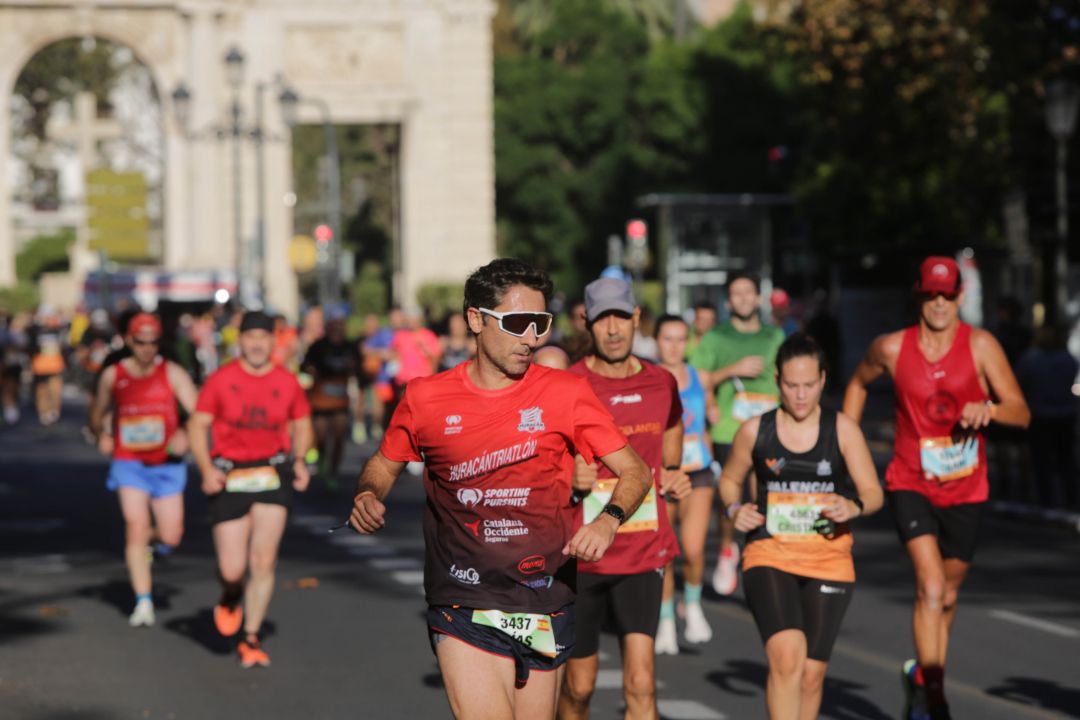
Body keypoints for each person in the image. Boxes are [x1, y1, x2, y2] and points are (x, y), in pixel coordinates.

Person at [348, 259, 653, 720]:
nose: (531, 337)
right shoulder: (426, 398)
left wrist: (608, 521)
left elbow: (636, 471)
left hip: (545, 597)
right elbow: (383, 465)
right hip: (463, 599)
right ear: (476, 319)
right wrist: (369, 493)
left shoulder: (565, 393)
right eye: (516, 323)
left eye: (540, 323)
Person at [843, 256, 1030, 720]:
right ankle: (937, 701)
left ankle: (921, 678)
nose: (941, 303)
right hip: (910, 479)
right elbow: (857, 384)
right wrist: (846, 445)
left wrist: (989, 409)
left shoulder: (982, 345)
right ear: (919, 295)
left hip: (966, 487)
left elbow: (1021, 412)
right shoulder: (891, 348)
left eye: (949, 295)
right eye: (932, 295)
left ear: (961, 296)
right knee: (929, 587)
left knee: (947, 595)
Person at [721, 333, 883, 720]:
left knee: (812, 675)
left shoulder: (842, 430)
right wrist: (734, 508)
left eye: (809, 385)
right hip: (769, 552)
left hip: (829, 558)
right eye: (792, 385)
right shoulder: (754, 431)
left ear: (823, 380)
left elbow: (874, 492)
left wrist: (853, 505)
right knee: (786, 658)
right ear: (777, 380)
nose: (800, 395)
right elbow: (730, 479)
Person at [560, 278, 691, 720]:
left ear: (637, 318)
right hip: (582, 554)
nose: (613, 329)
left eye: (621, 317)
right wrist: (567, 474)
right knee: (579, 687)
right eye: (602, 319)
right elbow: (539, 455)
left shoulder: (661, 382)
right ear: (587, 323)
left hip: (642, 548)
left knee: (641, 684)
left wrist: (670, 469)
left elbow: (673, 422)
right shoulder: (567, 384)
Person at [188, 310, 314, 668]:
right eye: (250, 337)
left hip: (272, 473)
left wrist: (301, 459)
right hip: (230, 476)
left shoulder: (287, 381)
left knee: (263, 560)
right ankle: (230, 594)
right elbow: (198, 425)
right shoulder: (220, 380)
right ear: (240, 341)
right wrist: (206, 467)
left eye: (263, 337)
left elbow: (302, 423)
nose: (257, 344)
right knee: (232, 569)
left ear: (273, 342)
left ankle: (251, 636)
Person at [87, 313, 199, 627]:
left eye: (153, 342)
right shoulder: (114, 374)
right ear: (129, 341)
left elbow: (200, 412)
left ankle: (153, 543)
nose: (147, 348)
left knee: (171, 535)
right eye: (141, 342)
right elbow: (97, 410)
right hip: (129, 462)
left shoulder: (172, 373)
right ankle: (143, 601)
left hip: (166, 464)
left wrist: (185, 435)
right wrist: (102, 434)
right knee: (135, 525)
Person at [691, 273, 786, 596]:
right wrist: (732, 371)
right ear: (728, 301)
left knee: (763, 492)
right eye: (737, 294)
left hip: (767, 427)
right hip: (728, 428)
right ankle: (728, 548)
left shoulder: (774, 335)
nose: (744, 299)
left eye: (749, 292)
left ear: (758, 298)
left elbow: (786, 376)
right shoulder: (716, 336)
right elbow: (698, 378)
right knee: (731, 491)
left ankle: (758, 554)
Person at [652, 313, 718, 654]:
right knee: (664, 553)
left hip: (699, 471)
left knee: (692, 548)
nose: (674, 346)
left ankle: (691, 605)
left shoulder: (699, 376)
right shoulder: (649, 379)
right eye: (667, 338)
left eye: (681, 338)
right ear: (656, 341)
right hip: (663, 472)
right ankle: (664, 620)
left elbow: (708, 418)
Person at [1016, 324, 1078, 508]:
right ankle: (1069, 499)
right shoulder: (1066, 358)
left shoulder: (1030, 359)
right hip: (1061, 415)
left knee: (1044, 462)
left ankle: (1048, 501)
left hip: (1042, 416)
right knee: (1064, 460)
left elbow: (1020, 382)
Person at [301, 313, 361, 487]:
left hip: (340, 398)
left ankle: (333, 472)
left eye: (340, 327)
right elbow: (305, 365)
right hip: (321, 397)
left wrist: (354, 368)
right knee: (320, 436)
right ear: (327, 329)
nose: (337, 331)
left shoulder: (350, 347)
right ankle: (321, 457)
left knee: (339, 435)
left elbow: (359, 367)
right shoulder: (318, 346)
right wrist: (311, 371)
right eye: (333, 327)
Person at [28, 306, 66, 425]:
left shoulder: (58, 330)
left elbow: (65, 347)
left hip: (56, 365)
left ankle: (54, 410)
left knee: (55, 389)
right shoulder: (35, 330)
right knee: (41, 391)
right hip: (40, 366)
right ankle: (43, 413)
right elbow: (29, 347)